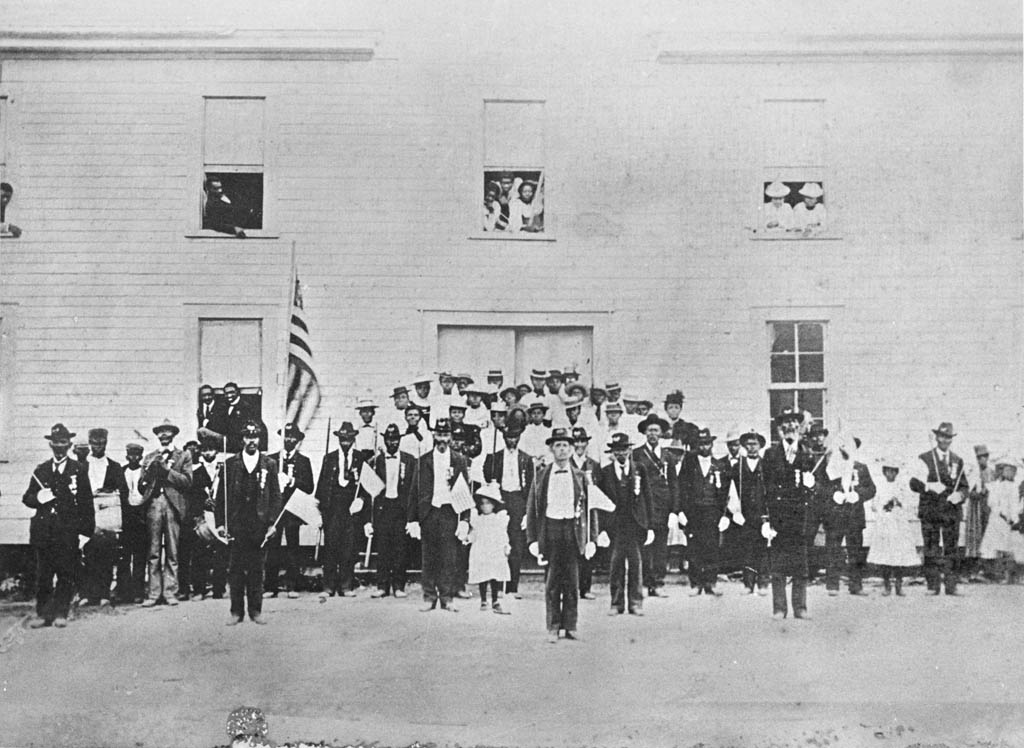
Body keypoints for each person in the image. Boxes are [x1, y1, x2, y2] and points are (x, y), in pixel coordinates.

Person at [526, 428, 598, 643]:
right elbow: (532, 509)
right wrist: (532, 539)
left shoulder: (581, 476)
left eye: (566, 445)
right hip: (551, 531)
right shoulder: (541, 476)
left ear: (572, 448)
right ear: (551, 449)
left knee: (573, 582)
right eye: (558, 445)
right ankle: (553, 626)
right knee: (552, 582)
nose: (562, 449)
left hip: (573, 531)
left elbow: (590, 507)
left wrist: (592, 538)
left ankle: (571, 625)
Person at [23, 424, 95, 628]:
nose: (59, 446)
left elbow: (86, 502)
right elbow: (26, 498)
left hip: (67, 531)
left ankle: (61, 612)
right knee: (44, 574)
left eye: (63, 442)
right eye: (55, 442)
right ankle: (43, 614)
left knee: (65, 573)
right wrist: (39, 497)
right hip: (44, 531)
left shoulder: (78, 470)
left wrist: (85, 532)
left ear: (69, 444)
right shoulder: (41, 470)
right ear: (50, 444)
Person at [214, 421, 282, 624]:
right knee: (235, 569)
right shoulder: (231, 464)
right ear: (242, 439)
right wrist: (220, 523)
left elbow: (276, 496)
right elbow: (221, 497)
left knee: (256, 569)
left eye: (255, 437)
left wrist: (272, 524)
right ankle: (236, 612)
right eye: (247, 437)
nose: (251, 441)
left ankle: (256, 611)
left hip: (258, 525)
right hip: (237, 523)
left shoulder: (269, 464)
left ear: (259, 439)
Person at [406, 418, 471, 612]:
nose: (442, 439)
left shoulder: (459, 460)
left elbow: (464, 490)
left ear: (451, 437)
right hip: (429, 513)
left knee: (448, 557)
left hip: (449, 513)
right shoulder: (423, 460)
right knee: (428, 557)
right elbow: (413, 492)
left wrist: (465, 520)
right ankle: (429, 596)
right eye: (439, 435)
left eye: (446, 435)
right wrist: (413, 519)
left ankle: (447, 597)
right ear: (433, 435)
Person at [761, 407, 817, 619]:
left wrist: (812, 486)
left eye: (795, 425)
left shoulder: (807, 453)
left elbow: (817, 487)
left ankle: (800, 608)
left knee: (800, 566)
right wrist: (765, 519)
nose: (791, 429)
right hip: (778, 517)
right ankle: (779, 608)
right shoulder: (770, 454)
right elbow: (763, 488)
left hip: (801, 518)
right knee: (778, 566)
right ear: (780, 429)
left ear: (799, 429)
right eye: (786, 425)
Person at [909, 422, 968, 596]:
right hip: (931, 510)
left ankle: (951, 586)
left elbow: (964, 486)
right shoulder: (925, 458)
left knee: (951, 548)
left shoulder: (958, 460)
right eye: (942, 436)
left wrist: (960, 495)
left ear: (951, 440)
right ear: (936, 437)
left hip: (950, 511)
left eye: (948, 437)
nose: (944, 440)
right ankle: (933, 585)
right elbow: (913, 483)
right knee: (931, 547)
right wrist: (928, 486)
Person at [139, 419, 193, 607]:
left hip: (173, 505)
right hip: (154, 504)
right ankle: (153, 594)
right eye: (160, 432)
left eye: (167, 431)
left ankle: (170, 592)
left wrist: (167, 471)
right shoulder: (149, 456)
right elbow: (141, 485)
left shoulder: (183, 456)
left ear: (173, 434)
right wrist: (149, 473)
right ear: (157, 435)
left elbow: (187, 481)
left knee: (172, 551)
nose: (164, 435)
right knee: (153, 551)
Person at [599, 433, 654, 616]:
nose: (621, 453)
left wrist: (650, 525)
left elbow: (648, 497)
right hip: (615, 526)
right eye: (617, 450)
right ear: (612, 453)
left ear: (630, 450)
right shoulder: (605, 472)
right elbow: (600, 501)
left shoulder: (639, 469)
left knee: (636, 564)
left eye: (624, 449)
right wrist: (601, 530)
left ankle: (636, 603)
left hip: (635, 524)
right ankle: (616, 603)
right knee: (615, 565)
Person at [315, 421, 369, 599]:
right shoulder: (329, 458)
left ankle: (346, 585)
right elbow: (322, 484)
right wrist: (319, 509)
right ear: (338, 439)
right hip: (333, 507)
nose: (345, 442)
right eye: (343, 439)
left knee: (349, 547)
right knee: (330, 546)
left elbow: (367, 485)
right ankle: (329, 585)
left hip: (351, 506)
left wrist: (361, 499)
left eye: (349, 439)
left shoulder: (361, 458)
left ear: (353, 439)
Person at [677, 428, 731, 596]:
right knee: (694, 547)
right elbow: (681, 487)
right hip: (693, 512)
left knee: (711, 547)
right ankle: (695, 583)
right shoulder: (688, 463)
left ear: (712, 444)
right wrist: (681, 511)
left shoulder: (720, 465)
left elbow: (724, 493)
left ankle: (710, 582)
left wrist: (724, 515)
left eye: (707, 443)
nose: (704, 447)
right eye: (701, 443)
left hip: (712, 512)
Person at [483, 425, 535, 598]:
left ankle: (512, 587)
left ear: (519, 437)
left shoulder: (526, 459)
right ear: (503, 437)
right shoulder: (494, 457)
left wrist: (527, 512)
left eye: (515, 437)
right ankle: (497, 586)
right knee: (497, 543)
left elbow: (531, 488)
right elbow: (486, 476)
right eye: (508, 437)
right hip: (501, 500)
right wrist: (493, 486)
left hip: (518, 501)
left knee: (516, 545)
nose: (512, 440)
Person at [264, 423, 315, 599]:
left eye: (293, 436)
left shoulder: (304, 461)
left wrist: (293, 481)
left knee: (293, 547)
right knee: (273, 546)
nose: (289, 439)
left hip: (293, 509)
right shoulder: (271, 460)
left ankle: (292, 586)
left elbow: (309, 487)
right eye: (286, 436)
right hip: (275, 510)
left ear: (298, 440)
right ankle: (270, 586)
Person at [366, 424, 417, 598]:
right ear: (384, 440)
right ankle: (382, 585)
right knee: (383, 548)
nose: (392, 442)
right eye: (389, 439)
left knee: (400, 549)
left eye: (395, 439)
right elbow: (368, 490)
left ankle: (398, 586)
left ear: (400, 440)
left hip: (401, 509)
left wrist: (413, 517)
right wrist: (369, 518)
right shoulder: (376, 461)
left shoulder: (410, 461)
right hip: (383, 508)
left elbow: (414, 490)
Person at [78, 428, 128, 607]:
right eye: (95, 443)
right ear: (90, 443)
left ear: (106, 443)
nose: (98, 446)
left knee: (105, 555)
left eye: (102, 443)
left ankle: (103, 593)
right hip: (87, 516)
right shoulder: (81, 465)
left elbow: (123, 492)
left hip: (107, 516)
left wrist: (109, 492)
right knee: (87, 554)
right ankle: (85, 594)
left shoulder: (114, 467)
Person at [822, 436, 876, 596]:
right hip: (835, 516)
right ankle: (832, 585)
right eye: (843, 445)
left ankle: (856, 585)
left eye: (850, 446)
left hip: (854, 516)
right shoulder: (831, 468)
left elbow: (871, 489)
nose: (845, 449)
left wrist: (858, 495)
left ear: (855, 449)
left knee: (856, 552)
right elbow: (820, 488)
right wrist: (833, 495)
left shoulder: (861, 468)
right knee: (833, 550)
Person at [633, 413, 678, 597]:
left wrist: (674, 510)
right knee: (644, 544)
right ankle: (644, 583)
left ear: (661, 434)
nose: (652, 434)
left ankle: (658, 582)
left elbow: (674, 484)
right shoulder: (637, 454)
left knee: (660, 546)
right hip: (643, 505)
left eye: (656, 430)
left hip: (662, 506)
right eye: (649, 430)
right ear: (645, 432)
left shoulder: (668, 456)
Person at [867, 461, 920, 596]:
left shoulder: (901, 486)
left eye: (893, 471)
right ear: (884, 472)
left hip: (899, 524)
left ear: (897, 472)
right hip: (885, 524)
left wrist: (898, 502)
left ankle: (898, 584)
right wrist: (884, 506)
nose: (891, 474)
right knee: (885, 555)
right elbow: (874, 505)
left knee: (899, 555)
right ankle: (886, 585)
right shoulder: (880, 486)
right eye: (888, 471)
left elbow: (908, 504)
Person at [729, 429, 769, 595]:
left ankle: (763, 583)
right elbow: (731, 491)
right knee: (746, 547)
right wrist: (735, 511)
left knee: (763, 547)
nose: (752, 447)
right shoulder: (737, 466)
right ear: (744, 446)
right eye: (749, 444)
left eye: (755, 444)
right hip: (744, 513)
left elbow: (771, 490)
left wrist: (769, 515)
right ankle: (748, 584)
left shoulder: (766, 465)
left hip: (762, 513)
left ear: (760, 446)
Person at [189, 436, 228, 600]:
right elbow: (191, 496)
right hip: (203, 518)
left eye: (211, 450)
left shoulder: (224, 470)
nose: (208, 453)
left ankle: (218, 589)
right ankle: (199, 589)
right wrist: (202, 503)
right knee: (199, 554)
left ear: (217, 451)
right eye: (204, 450)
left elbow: (229, 494)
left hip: (219, 518)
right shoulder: (195, 472)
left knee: (221, 553)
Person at [467, 484, 512, 614]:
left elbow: (503, 534)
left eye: (488, 503)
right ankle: (483, 599)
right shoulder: (478, 520)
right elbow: (474, 534)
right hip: (481, 549)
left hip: (494, 549)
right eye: (482, 504)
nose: (485, 506)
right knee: (483, 574)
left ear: (493, 505)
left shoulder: (499, 519)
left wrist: (506, 545)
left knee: (494, 575)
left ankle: (495, 600)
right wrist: (467, 538)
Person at [978, 460, 1023, 583]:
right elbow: (992, 503)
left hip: (1010, 521)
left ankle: (1008, 575)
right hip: (997, 519)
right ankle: (991, 573)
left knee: (1009, 547)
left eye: (1014, 471)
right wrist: (1003, 515)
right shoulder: (996, 485)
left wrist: (1014, 518)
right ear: (1003, 471)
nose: (1011, 473)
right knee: (993, 546)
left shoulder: (1014, 487)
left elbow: (1015, 504)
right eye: (1008, 470)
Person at [570, 427, 601, 600]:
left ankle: (585, 588)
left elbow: (599, 491)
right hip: (571, 511)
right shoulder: (567, 463)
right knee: (572, 550)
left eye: (582, 441)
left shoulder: (593, 465)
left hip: (588, 512)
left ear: (587, 443)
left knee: (587, 548)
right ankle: (572, 588)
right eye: (576, 442)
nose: (579, 445)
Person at [115, 443, 149, 603]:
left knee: (140, 557)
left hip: (141, 516)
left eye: (137, 455)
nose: (133, 458)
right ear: (126, 455)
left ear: (141, 457)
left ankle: (138, 591)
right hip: (126, 517)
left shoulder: (146, 472)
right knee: (124, 556)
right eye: (131, 454)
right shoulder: (121, 471)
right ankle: (123, 591)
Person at [965, 444, 995, 582]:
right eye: (980, 457)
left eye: (985, 457)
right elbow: (967, 491)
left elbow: (994, 490)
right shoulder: (972, 472)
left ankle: (987, 570)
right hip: (975, 508)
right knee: (974, 536)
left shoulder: (991, 472)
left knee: (987, 537)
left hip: (987, 509)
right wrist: (976, 493)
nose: (982, 460)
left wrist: (987, 492)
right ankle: (972, 570)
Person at [207, 382, 254, 454]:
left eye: (232, 392)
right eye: (226, 393)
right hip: (225, 441)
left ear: (237, 392)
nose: (229, 395)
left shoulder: (246, 406)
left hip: (238, 443)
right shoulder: (223, 406)